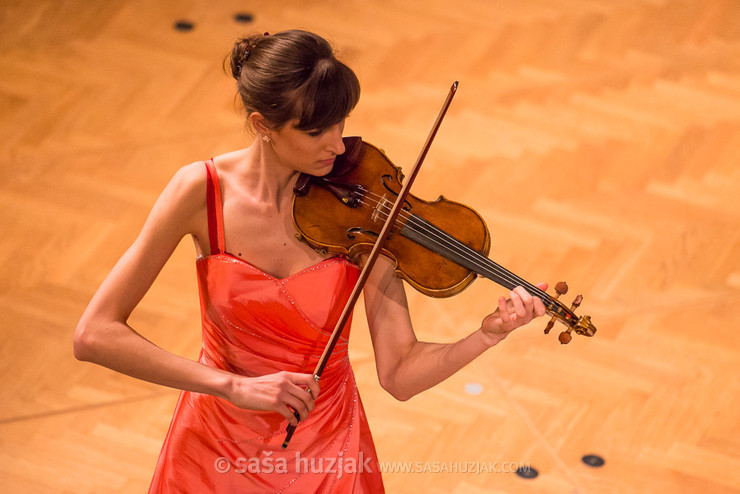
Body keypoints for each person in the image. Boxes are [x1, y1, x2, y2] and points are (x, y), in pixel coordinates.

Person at [73, 29, 547, 493]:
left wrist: (487, 335)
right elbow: (95, 334)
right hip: (213, 450)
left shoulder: (365, 211)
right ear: (263, 125)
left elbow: (400, 374)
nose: (339, 146)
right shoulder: (200, 191)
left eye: (341, 123)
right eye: (317, 130)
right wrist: (230, 386)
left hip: (330, 457)